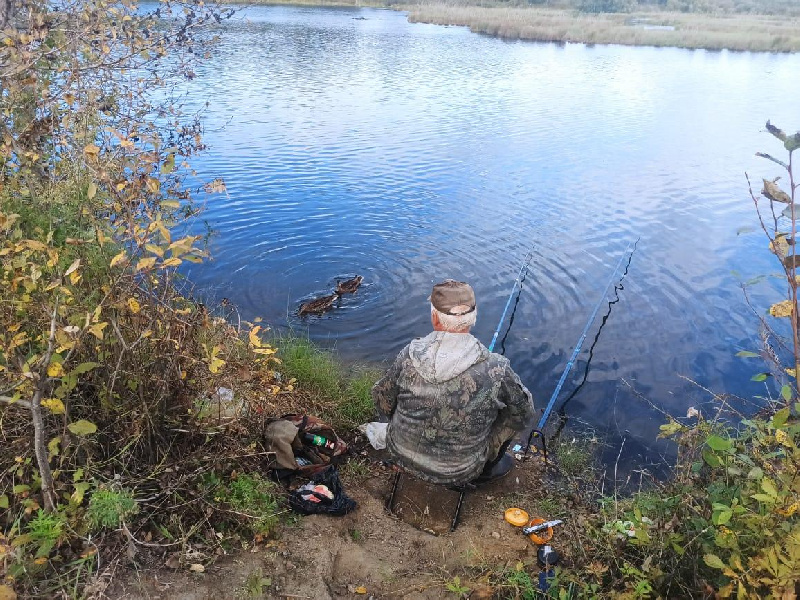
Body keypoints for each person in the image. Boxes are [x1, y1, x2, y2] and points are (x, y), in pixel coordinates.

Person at [372, 279, 535, 487]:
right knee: (511, 416)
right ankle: (486, 468)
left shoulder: (408, 355)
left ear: (434, 317)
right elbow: (524, 414)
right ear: (473, 318)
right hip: (458, 473)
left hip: (399, 453)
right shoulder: (497, 368)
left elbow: (382, 401)